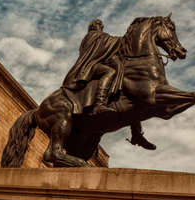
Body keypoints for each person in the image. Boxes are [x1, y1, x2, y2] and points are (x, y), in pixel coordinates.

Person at [63, 19, 156, 150]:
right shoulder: (93, 36)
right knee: (110, 72)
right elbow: (110, 43)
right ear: (92, 27)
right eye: (97, 24)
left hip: (97, 64)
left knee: (131, 96)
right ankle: (99, 104)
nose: (99, 26)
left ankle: (137, 133)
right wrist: (129, 36)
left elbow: (110, 46)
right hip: (89, 68)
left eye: (100, 24)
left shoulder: (100, 37)